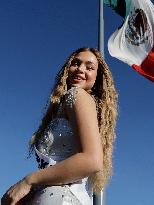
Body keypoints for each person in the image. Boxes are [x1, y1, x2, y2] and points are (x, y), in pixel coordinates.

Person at [1, 47, 118, 205]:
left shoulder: (76, 95)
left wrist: (29, 180)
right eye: (76, 63)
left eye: (89, 67)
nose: (80, 69)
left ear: (97, 78)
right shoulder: (64, 105)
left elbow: (91, 160)